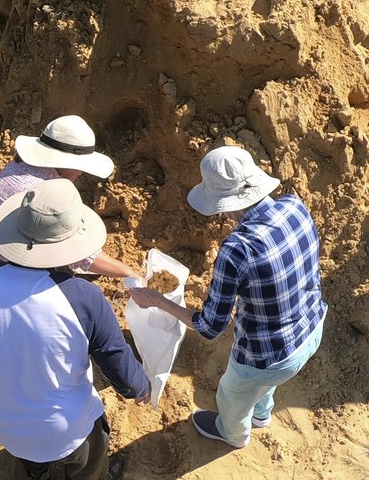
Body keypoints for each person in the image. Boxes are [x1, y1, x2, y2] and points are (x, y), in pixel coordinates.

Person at [0, 179, 149, 480]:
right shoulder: (84, 297)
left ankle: (39, 477)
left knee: (28, 450)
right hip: (65, 427)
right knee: (89, 454)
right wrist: (139, 387)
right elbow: (117, 361)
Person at [128, 146, 326, 449]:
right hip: (310, 330)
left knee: (232, 394)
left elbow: (210, 326)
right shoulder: (294, 206)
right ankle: (261, 415)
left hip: (266, 355)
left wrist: (157, 300)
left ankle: (233, 434)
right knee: (263, 385)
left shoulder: (238, 249)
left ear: (224, 204)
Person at [0, 115, 138, 282]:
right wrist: (128, 273)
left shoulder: (20, 166)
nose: (82, 172)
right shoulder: (46, 190)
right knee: (62, 278)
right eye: (81, 165)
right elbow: (77, 255)